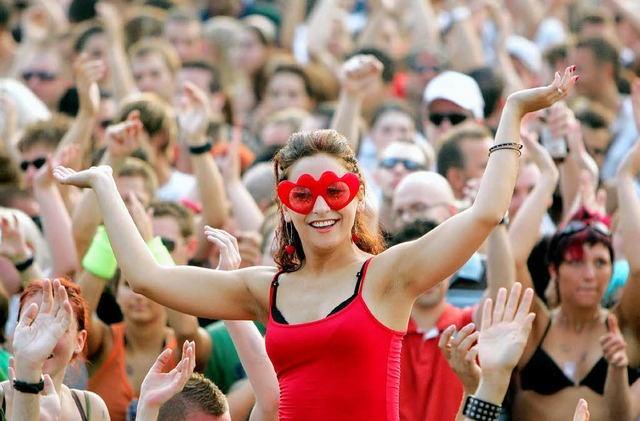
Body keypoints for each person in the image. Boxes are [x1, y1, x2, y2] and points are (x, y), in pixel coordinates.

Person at [53, 66, 578, 420]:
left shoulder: (389, 276)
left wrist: (511, 112)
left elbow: (486, 212)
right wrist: (104, 184)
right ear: (284, 204)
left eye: (335, 191)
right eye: (302, 195)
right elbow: (148, 278)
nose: (322, 207)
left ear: (357, 196)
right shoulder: (266, 288)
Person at [0, 278, 109, 420]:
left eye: (59, 327)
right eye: (32, 323)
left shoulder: (92, 408)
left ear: (79, 340)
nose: (43, 341)